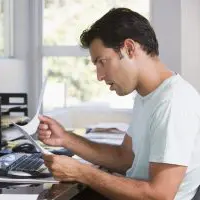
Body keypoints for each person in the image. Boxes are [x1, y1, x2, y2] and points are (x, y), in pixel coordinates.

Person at [38, 8, 200, 200]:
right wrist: (66, 138)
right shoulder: (148, 95)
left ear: (129, 49)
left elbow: (160, 195)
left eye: (102, 62)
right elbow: (125, 158)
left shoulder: (173, 102)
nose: (99, 76)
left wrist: (81, 172)